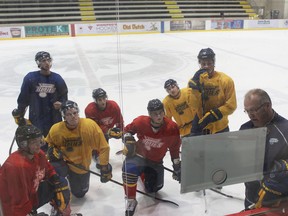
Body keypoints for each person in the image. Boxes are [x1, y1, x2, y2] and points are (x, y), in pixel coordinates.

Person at [122, 99, 181, 216]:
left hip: (155, 161)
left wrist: (177, 166)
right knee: (129, 170)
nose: (159, 116)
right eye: (155, 114)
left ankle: (142, 174)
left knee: (153, 189)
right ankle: (131, 200)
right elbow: (126, 131)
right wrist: (128, 138)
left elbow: (174, 148)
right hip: (138, 156)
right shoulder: (140, 122)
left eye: (161, 112)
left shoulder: (172, 127)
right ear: (150, 114)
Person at [45, 100, 112, 199]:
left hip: (81, 166)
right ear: (64, 117)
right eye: (68, 114)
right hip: (64, 163)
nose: (73, 116)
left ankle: (74, 181)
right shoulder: (56, 129)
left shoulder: (89, 126)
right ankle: (57, 192)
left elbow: (104, 147)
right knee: (54, 168)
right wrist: (51, 152)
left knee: (80, 194)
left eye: (75, 113)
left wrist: (104, 166)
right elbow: (49, 144)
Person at [0, 125, 72, 216]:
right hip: (13, 209)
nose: (38, 145)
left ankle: (60, 212)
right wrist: (29, 213)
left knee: (61, 183)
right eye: (34, 142)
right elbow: (16, 202)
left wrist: (54, 176)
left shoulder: (38, 154)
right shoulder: (16, 167)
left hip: (31, 196)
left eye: (39, 140)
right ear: (24, 144)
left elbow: (48, 168)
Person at [240, 89, 288, 210]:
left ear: (267, 106)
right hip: (252, 198)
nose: (250, 114)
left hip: (278, 203)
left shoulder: (285, 129)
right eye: (247, 111)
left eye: (254, 110)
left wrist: (281, 173)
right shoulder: (244, 129)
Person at [13, 51, 68, 151]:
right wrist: (19, 114)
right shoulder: (30, 78)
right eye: (43, 60)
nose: (46, 63)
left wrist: (62, 104)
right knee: (38, 143)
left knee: (55, 143)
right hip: (36, 117)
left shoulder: (57, 78)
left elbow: (64, 96)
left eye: (48, 60)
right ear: (38, 63)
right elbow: (23, 99)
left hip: (54, 117)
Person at [188, 47, 237, 135]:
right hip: (200, 126)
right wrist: (195, 89)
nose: (206, 66)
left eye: (209, 63)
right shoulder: (194, 81)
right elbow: (193, 105)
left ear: (214, 63)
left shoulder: (226, 80)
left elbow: (231, 105)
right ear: (199, 64)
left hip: (220, 126)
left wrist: (215, 114)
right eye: (203, 64)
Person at [85, 88, 124, 166]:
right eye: (100, 100)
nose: (103, 102)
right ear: (95, 101)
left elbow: (120, 121)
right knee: (102, 142)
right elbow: (93, 128)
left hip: (109, 130)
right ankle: (95, 153)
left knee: (125, 135)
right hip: (97, 133)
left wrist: (122, 133)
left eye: (104, 98)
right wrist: (107, 131)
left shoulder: (114, 106)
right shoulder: (90, 110)